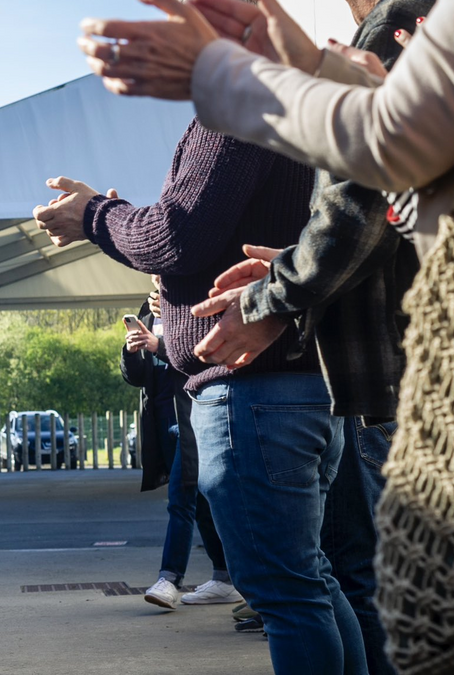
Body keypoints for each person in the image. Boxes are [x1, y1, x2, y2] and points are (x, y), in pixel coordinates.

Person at [79, 1, 454, 670]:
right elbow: (398, 158)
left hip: (306, 385)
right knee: (332, 578)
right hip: (343, 381)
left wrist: (92, 213)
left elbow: (180, 235)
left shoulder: (403, 24)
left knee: (295, 585)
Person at [33, 104, 366, 672]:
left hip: (254, 393)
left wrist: (95, 215)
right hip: (298, 387)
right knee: (309, 580)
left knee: (285, 591)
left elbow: (175, 234)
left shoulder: (234, 110)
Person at [182, 2, 431, 670]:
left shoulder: (398, 25)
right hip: (370, 376)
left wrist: (276, 293)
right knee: (348, 576)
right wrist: (295, 264)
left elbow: (363, 201)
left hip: (398, 374)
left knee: (302, 586)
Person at [120, 282, 237, 610]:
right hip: (161, 419)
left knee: (181, 499)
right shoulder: (148, 308)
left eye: (164, 273)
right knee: (199, 501)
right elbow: (138, 376)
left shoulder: (194, 303)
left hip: (193, 416)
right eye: (154, 276)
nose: (158, 280)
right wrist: (131, 352)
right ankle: (226, 577)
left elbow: (201, 356)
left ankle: (169, 578)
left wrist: (158, 344)